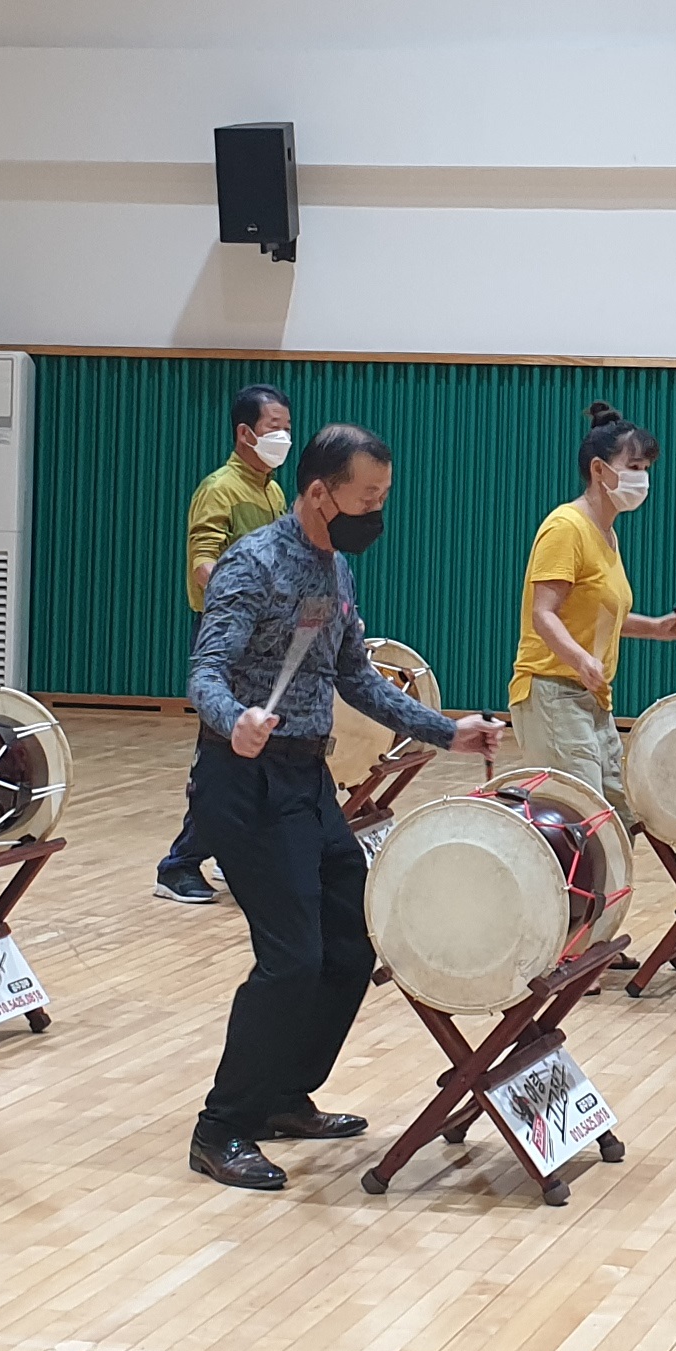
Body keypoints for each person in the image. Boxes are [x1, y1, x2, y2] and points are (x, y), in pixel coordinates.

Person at [185, 424, 503, 1190]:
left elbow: (355, 675)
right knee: (291, 958)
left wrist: (447, 731)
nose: (376, 512)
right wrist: (236, 719)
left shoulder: (335, 567)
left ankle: (282, 1096)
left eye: (383, 497)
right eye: (366, 498)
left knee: (351, 945)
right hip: (245, 782)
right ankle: (220, 1127)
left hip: (308, 782)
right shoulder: (253, 564)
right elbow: (206, 671)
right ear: (319, 492)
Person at [507, 401, 676, 810]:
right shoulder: (566, 527)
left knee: (621, 814)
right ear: (598, 469)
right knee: (583, 815)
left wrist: (656, 627)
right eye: (634, 467)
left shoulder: (607, 535)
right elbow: (543, 613)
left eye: (646, 469)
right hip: (552, 693)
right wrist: (579, 659)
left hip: (592, 697)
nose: (642, 479)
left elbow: (602, 616)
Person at [157, 382, 294, 905]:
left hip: (264, 639)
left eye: (287, 427)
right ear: (244, 433)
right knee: (224, 754)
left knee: (258, 754)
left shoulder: (272, 491)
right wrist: (246, 599)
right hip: (227, 639)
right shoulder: (220, 489)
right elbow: (203, 563)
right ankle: (179, 865)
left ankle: (233, 853)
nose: (284, 437)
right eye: (274, 428)